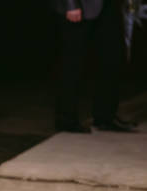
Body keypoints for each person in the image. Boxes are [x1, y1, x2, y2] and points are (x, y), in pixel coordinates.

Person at [51, 0, 136, 133]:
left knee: (111, 59)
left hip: (108, 5)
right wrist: (71, 5)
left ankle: (105, 117)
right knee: (73, 61)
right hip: (80, 6)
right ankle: (66, 118)